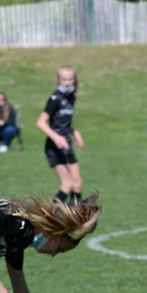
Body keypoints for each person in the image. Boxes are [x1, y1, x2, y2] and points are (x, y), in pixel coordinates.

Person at [36, 65, 84, 205]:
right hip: (54, 146)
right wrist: (57, 137)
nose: (67, 82)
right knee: (67, 184)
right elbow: (40, 123)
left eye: (70, 79)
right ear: (58, 80)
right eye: (64, 79)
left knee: (77, 183)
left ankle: (75, 214)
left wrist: (75, 133)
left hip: (66, 143)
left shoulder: (71, 97)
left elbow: (63, 123)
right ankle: (49, 214)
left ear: (74, 80)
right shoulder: (55, 98)